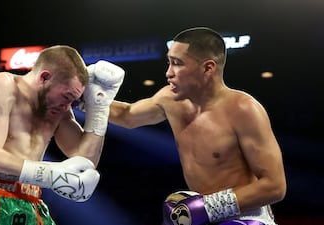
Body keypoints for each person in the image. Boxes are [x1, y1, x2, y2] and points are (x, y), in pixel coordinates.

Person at [107, 27, 286, 225]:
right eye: (169, 62)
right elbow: (127, 116)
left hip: (247, 217)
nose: (169, 73)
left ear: (208, 68)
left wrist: (210, 207)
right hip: (203, 217)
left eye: (177, 63)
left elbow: (275, 186)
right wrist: (83, 98)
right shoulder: (170, 99)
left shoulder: (244, 109)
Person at [0, 45, 125, 225]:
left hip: (30, 200)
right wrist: (50, 175)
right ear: (45, 77)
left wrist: (99, 109)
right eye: (67, 96)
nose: (68, 106)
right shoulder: (2, 86)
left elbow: (85, 162)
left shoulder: (58, 110)